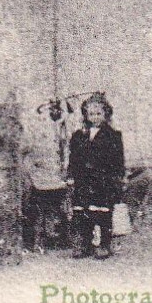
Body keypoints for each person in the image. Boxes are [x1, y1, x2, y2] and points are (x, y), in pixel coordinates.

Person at [66, 93, 126, 260]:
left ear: (106, 114)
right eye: (91, 114)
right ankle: (85, 244)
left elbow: (118, 159)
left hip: (103, 180)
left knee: (103, 213)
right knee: (83, 213)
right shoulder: (79, 135)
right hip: (83, 179)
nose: (95, 117)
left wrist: (119, 177)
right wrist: (71, 174)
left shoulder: (113, 135)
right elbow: (74, 158)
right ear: (86, 115)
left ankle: (104, 245)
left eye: (99, 113)